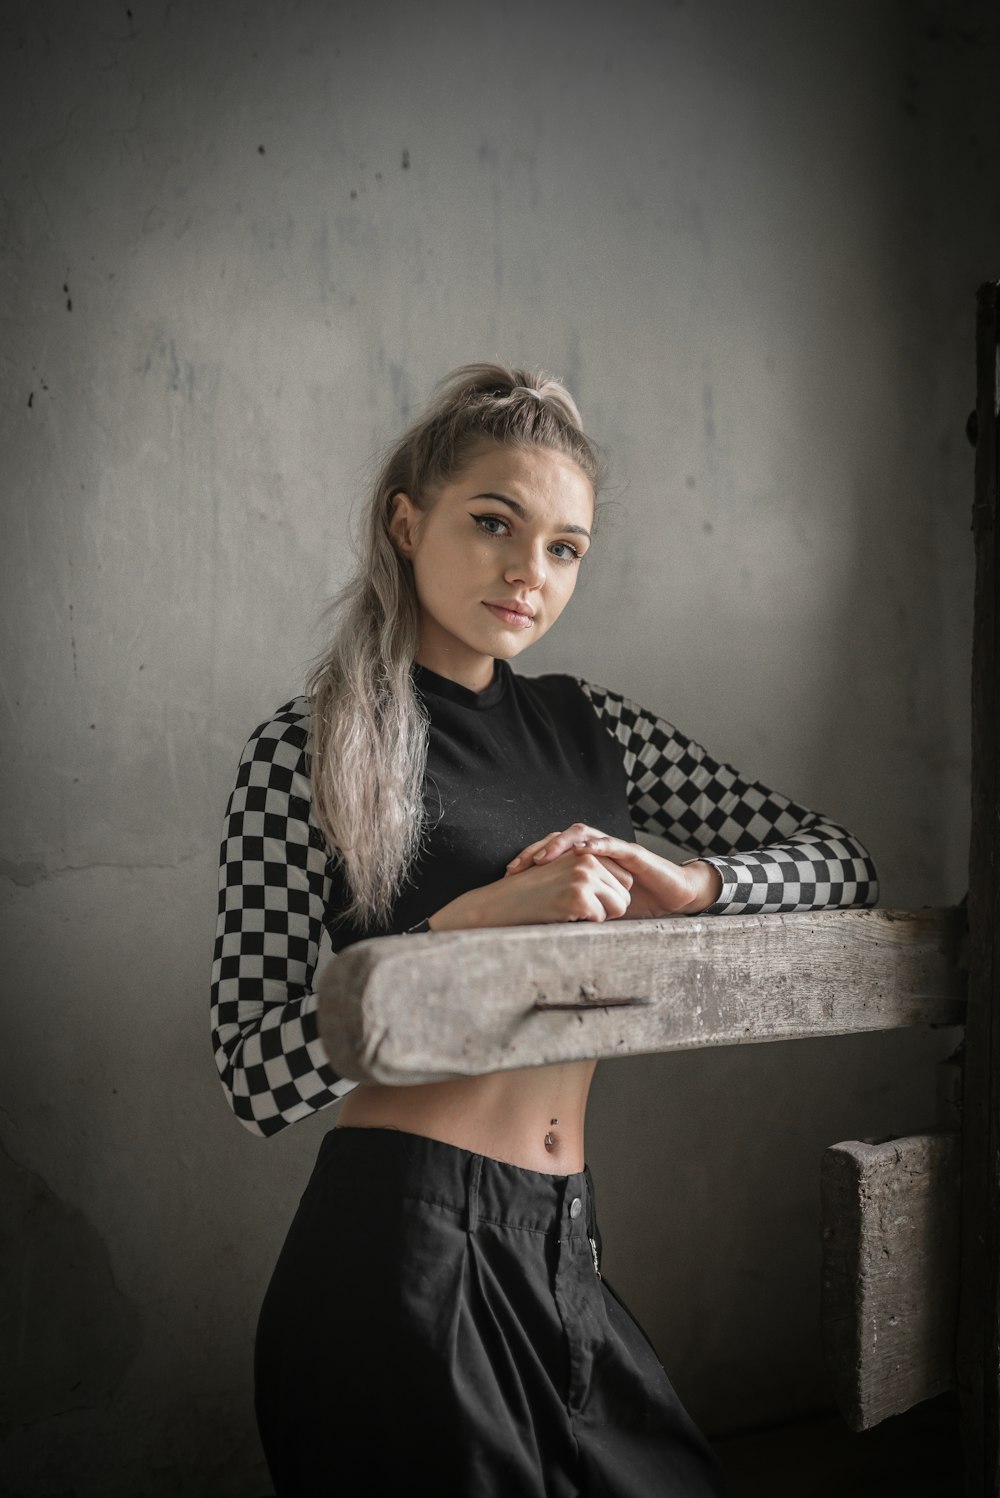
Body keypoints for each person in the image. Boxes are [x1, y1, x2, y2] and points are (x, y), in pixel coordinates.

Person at [210, 364, 878, 1497]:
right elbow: (252, 1073)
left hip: (565, 1245)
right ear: (406, 520)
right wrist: (464, 925)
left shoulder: (597, 728)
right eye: (492, 524)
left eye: (565, 547)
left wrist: (694, 883)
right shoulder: (307, 751)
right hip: (402, 1256)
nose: (529, 572)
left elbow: (839, 862)